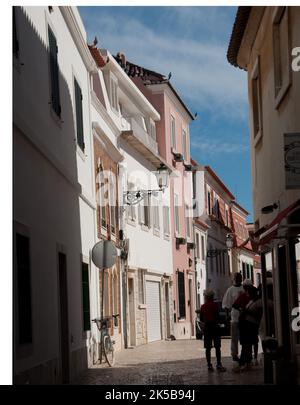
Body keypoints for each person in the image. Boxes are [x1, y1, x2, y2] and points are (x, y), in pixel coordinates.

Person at [234, 285, 260, 371]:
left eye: (248, 293)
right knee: (247, 344)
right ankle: (247, 362)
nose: (247, 294)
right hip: (246, 324)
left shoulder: (255, 302)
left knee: (247, 344)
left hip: (249, 324)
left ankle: (243, 363)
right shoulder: (252, 301)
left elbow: (255, 314)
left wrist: (245, 311)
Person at [200, 289, 226, 372]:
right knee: (217, 347)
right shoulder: (215, 306)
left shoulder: (203, 306)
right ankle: (218, 364)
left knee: (208, 348)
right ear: (212, 296)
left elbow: (201, 319)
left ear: (206, 297)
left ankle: (209, 365)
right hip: (215, 327)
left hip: (207, 327)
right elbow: (217, 317)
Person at [222, 272, 243, 361]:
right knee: (234, 337)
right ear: (234, 279)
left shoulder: (244, 288)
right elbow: (226, 304)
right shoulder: (230, 290)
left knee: (244, 337)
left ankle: (245, 353)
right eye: (236, 278)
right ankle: (234, 354)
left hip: (244, 317)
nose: (238, 279)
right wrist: (227, 315)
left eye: (239, 278)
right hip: (235, 317)